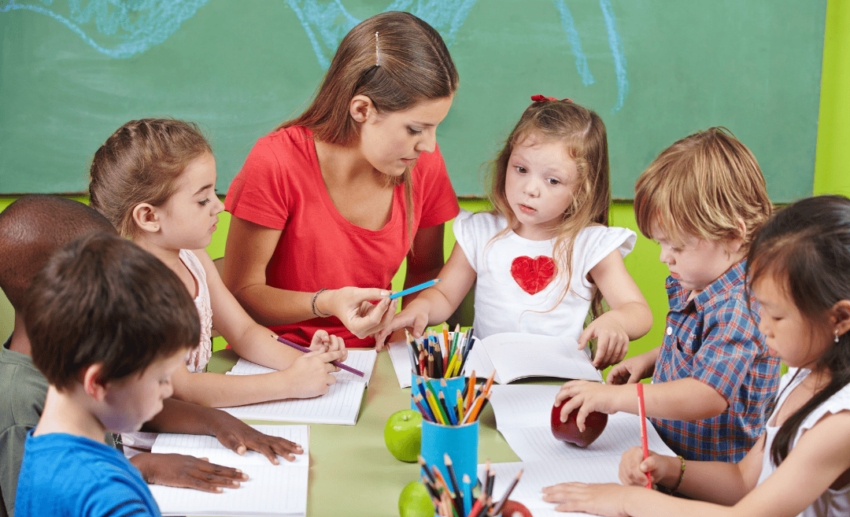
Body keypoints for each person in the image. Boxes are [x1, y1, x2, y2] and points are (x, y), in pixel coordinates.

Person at [543, 195, 850, 517]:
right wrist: (671, 470)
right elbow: (743, 482)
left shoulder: (838, 425)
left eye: (776, 316)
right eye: (759, 308)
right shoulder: (803, 376)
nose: (761, 327)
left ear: (840, 318)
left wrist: (627, 499)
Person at [0, 196, 304, 517]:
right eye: (161, 377)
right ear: (98, 382)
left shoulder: (46, 449)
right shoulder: (102, 488)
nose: (169, 389)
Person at [223, 11, 461, 349]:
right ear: (361, 110)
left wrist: (397, 332)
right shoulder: (276, 162)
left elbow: (424, 273)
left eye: (436, 127)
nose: (430, 145)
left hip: (373, 359)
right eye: (415, 129)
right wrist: (327, 302)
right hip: (276, 356)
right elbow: (240, 296)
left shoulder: (422, 163)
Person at [553, 128, 780, 462]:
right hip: (668, 451)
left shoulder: (739, 307)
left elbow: (706, 394)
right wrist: (650, 361)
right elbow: (702, 349)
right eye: (660, 243)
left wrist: (618, 399)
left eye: (675, 245)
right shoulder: (702, 280)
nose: (664, 257)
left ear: (732, 235)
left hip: (711, 474)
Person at [377, 96, 652, 369]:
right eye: (521, 169)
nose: (530, 188)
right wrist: (420, 309)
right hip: (488, 379)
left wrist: (617, 322)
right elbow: (445, 295)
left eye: (552, 180)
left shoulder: (591, 244)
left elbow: (638, 312)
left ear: (582, 189)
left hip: (560, 382)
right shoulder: (480, 232)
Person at [89, 119, 347, 408]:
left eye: (214, 193)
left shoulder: (191, 257)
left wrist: (307, 360)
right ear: (149, 217)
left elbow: (245, 334)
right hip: (147, 438)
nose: (219, 206)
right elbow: (183, 388)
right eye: (202, 200)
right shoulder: (132, 291)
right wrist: (288, 383)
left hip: (197, 421)